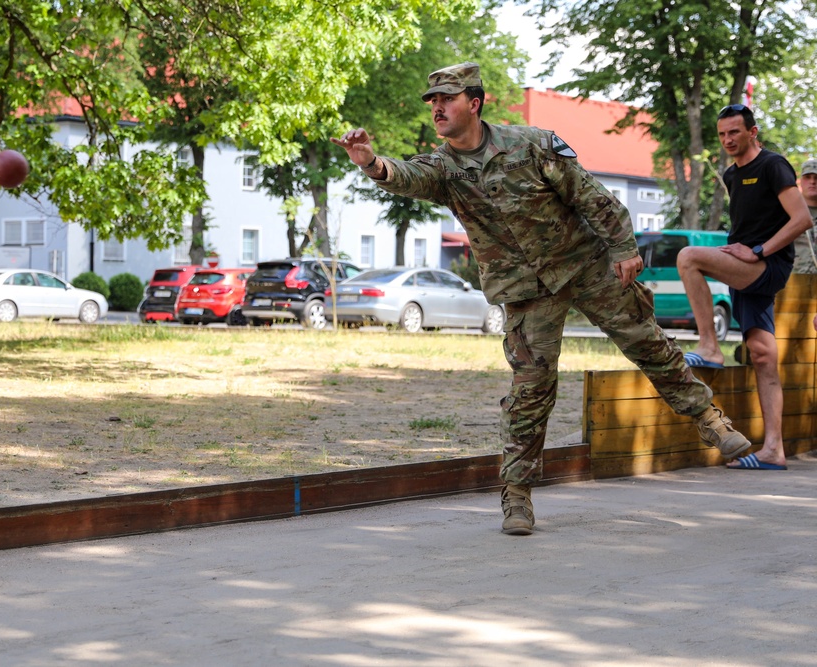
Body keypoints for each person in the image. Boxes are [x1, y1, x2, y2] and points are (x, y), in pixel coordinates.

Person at [331, 62, 752, 536]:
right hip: (526, 289)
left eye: (446, 99)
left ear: (474, 102)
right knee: (532, 390)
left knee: (647, 343)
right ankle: (517, 496)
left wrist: (624, 247)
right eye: (432, 101)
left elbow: (591, 196)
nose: (437, 109)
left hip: (586, 263)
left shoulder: (530, 144)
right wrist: (370, 161)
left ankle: (709, 418)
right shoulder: (444, 168)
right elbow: (403, 175)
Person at [677, 105, 812, 472]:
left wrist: (757, 251)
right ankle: (773, 450)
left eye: (734, 132)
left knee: (688, 256)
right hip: (744, 265)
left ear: (752, 132)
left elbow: (801, 219)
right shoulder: (730, 175)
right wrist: (737, 249)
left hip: (766, 264)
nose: (727, 140)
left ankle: (709, 347)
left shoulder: (773, 165)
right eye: (722, 135)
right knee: (763, 356)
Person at [793, 158, 817, 274]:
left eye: (816, 177)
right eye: (808, 177)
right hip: (795, 280)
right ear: (801, 181)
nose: (813, 181)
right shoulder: (787, 211)